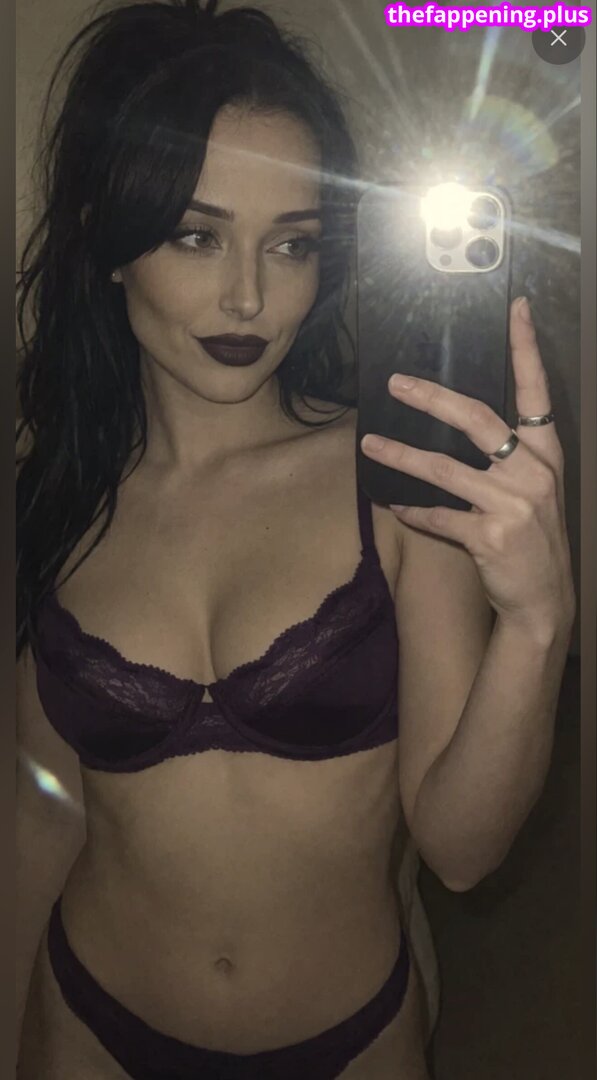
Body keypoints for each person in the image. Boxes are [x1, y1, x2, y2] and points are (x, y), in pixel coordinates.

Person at [16, 2, 576, 1078]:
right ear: (107, 237)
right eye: (196, 234)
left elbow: (461, 852)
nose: (248, 296)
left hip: (348, 1042)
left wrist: (537, 624)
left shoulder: (394, 483)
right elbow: (42, 813)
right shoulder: (60, 495)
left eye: (293, 244)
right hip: (85, 1025)